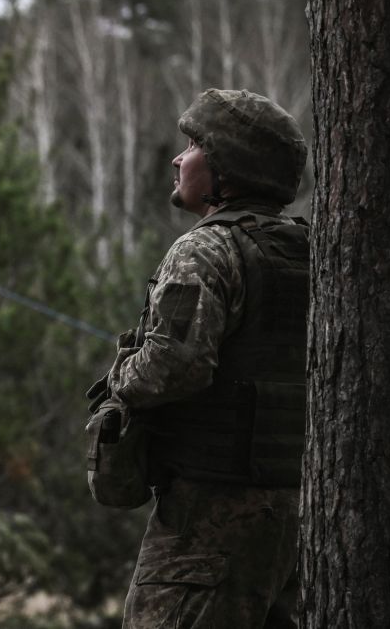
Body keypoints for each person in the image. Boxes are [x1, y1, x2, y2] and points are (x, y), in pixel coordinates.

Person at [91, 89, 310, 628]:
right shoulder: (308, 249)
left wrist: (121, 376)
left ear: (226, 169)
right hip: (297, 515)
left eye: (193, 146)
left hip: (209, 519)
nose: (177, 158)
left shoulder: (205, 249)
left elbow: (175, 365)